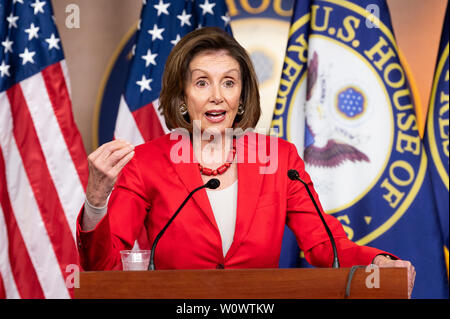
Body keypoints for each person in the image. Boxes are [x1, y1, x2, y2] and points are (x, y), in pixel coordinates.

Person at [76, 27, 415, 296]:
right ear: (182, 95)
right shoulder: (146, 163)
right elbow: (104, 270)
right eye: (202, 82)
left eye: (228, 82)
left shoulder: (280, 160)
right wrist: (95, 202)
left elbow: (325, 244)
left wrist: (379, 261)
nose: (217, 96)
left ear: (241, 96)